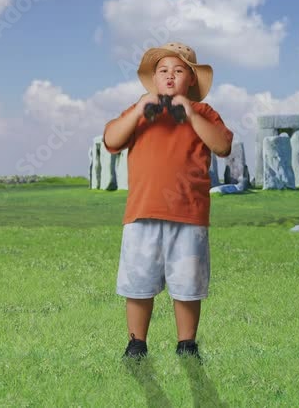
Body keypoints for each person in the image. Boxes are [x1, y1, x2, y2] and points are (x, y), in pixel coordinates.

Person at [102, 41, 233, 361]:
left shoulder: (203, 112)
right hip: (143, 211)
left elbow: (222, 146)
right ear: (154, 79)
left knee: (188, 285)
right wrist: (137, 109)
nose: (170, 76)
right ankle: (136, 343)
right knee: (138, 282)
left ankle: (186, 343)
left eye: (179, 71)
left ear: (191, 80)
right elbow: (111, 140)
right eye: (163, 71)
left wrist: (189, 113)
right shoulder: (140, 113)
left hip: (189, 213)